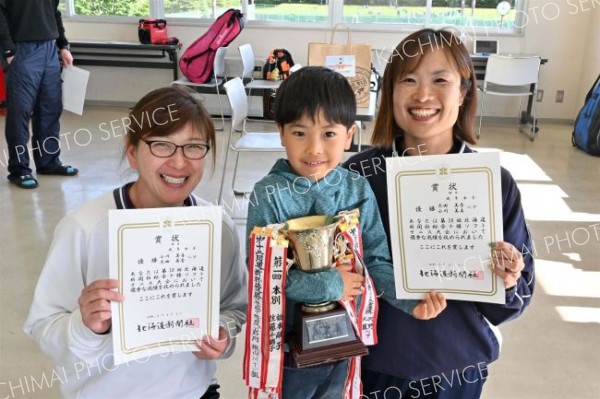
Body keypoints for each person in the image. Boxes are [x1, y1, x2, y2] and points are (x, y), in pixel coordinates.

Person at [343, 28, 535, 398]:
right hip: (373, 364)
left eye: (440, 80)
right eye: (409, 80)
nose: (423, 95)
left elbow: (515, 300)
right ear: (391, 93)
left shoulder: (493, 182)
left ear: (463, 93)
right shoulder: (357, 176)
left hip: (456, 370)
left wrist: (508, 279)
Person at [23, 86, 247, 398]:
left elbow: (234, 307)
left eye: (194, 147)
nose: (180, 163)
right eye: (162, 146)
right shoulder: (85, 228)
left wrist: (221, 336)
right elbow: (43, 326)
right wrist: (85, 325)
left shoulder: (216, 226)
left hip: (194, 391)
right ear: (132, 152)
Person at [245, 66, 446, 399]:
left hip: (344, 340)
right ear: (280, 133)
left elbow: (377, 259)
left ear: (349, 135)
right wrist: (331, 283)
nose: (314, 149)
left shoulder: (357, 189)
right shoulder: (268, 195)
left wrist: (411, 301)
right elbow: (264, 277)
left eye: (328, 134)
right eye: (299, 133)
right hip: (287, 349)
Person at [0, 0, 78, 189]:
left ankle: (49, 162)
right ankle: (19, 169)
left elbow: (54, 12)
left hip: (49, 49)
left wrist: (63, 45)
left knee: (50, 108)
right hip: (22, 50)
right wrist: (9, 50)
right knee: (21, 112)